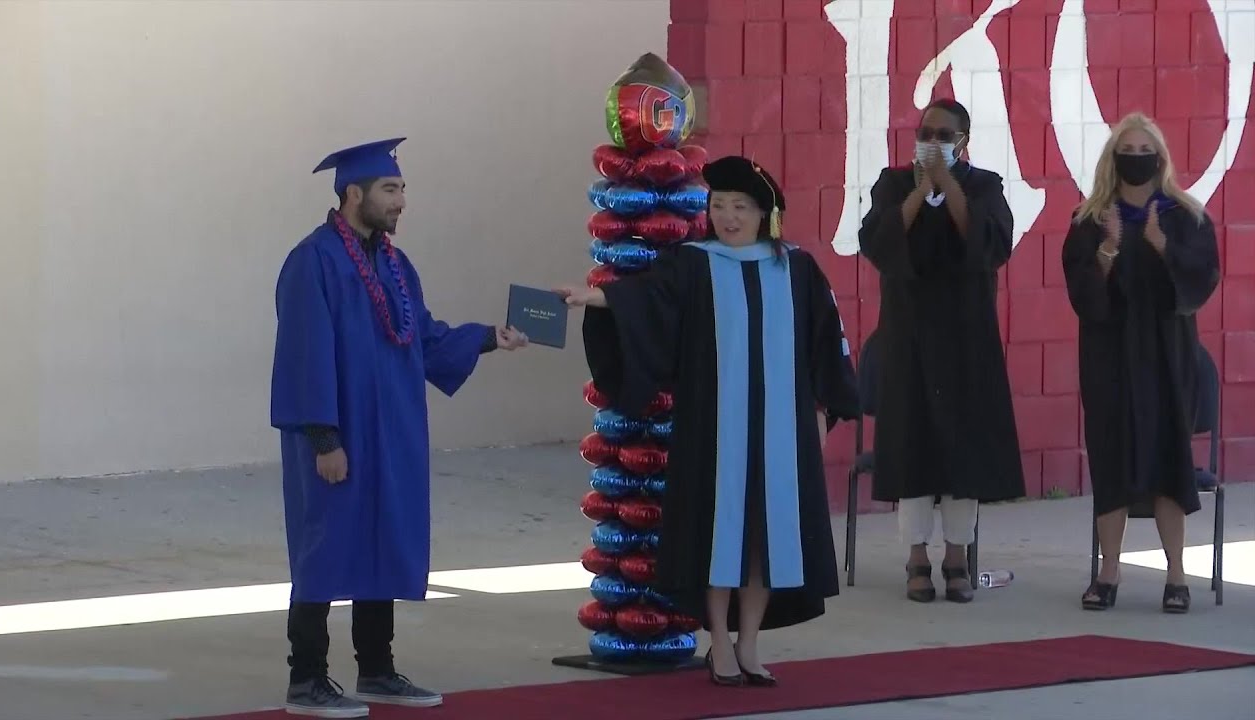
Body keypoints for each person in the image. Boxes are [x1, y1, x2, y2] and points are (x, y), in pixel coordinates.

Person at [557, 156, 860, 687]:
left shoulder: (797, 269)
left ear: (765, 212)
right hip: (714, 430)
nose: (728, 217)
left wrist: (821, 411)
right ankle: (717, 639)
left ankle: (748, 642)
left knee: (766, 540)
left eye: (740, 207)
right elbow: (648, 303)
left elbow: (823, 345)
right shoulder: (694, 265)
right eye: (718, 206)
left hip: (779, 434)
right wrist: (597, 298)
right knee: (719, 536)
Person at [270, 137, 528, 718]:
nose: (401, 201)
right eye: (391, 190)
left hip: (392, 434)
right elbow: (303, 355)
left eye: (402, 189)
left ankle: (377, 670)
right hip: (340, 434)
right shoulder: (313, 261)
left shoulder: (394, 263)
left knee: (381, 539)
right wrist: (323, 438)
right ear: (353, 193)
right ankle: (306, 678)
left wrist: (489, 337)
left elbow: (423, 338)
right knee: (325, 546)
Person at [858, 98, 1025, 604]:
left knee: (962, 451)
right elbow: (878, 242)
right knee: (912, 447)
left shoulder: (984, 186)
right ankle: (915, 557)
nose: (932, 140)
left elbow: (990, 244)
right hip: (908, 335)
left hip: (965, 336)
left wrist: (947, 184)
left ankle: (957, 555)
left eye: (944, 135)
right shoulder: (892, 184)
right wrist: (920, 189)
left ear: (963, 143)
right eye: (926, 131)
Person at [1061, 113, 1220, 614]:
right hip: (1109, 357)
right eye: (1125, 150)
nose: (1135, 159)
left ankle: (1176, 574)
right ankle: (1109, 571)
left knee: (1171, 459)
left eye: (1143, 150)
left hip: (1168, 356)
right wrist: (1108, 249)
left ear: (1159, 158)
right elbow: (1081, 293)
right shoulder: (1089, 220)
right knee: (1111, 459)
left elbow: (1201, 281)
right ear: (1113, 160)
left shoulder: (1184, 216)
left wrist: (1161, 246)